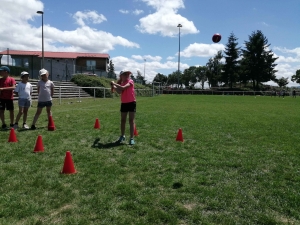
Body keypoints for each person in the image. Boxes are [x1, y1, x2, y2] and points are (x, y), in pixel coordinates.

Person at [111, 70, 136, 145]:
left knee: (131, 121)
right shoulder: (121, 83)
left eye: (128, 74)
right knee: (123, 120)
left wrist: (114, 83)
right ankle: (122, 136)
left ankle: (131, 138)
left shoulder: (130, 81)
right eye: (125, 74)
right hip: (124, 103)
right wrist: (114, 86)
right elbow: (119, 91)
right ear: (121, 76)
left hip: (132, 103)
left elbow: (123, 88)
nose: (127, 75)